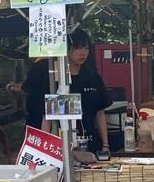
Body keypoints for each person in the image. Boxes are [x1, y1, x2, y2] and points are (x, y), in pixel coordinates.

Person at [18, 30, 110, 158]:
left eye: (86, 48)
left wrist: (106, 145)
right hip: (60, 145)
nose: (83, 52)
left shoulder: (93, 78)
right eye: (77, 48)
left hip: (90, 143)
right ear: (66, 50)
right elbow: (47, 118)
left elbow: (100, 113)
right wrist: (43, 151)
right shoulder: (57, 80)